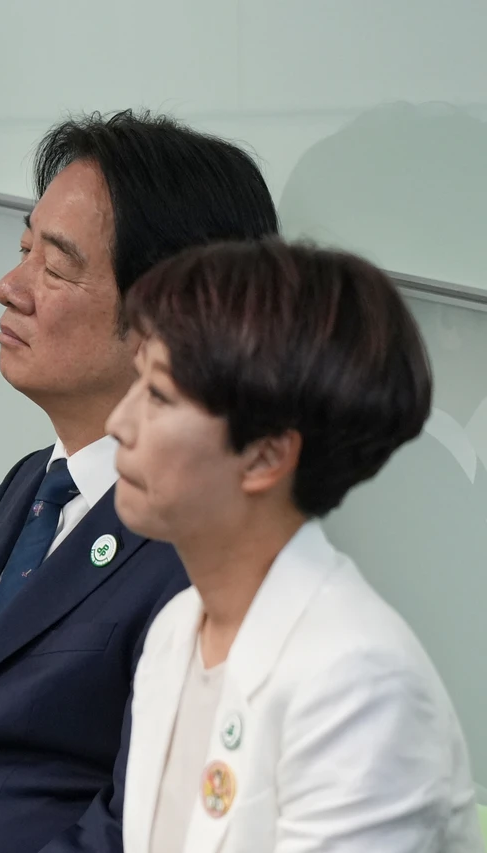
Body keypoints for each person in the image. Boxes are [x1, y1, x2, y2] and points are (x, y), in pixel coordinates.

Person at [0, 111, 279, 853]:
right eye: (23, 249)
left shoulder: (204, 547)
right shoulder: (35, 484)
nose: (11, 287)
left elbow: (148, 828)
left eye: (57, 268)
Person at [108, 240, 483, 853]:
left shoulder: (359, 681)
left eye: (158, 396)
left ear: (266, 456)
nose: (118, 424)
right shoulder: (177, 630)